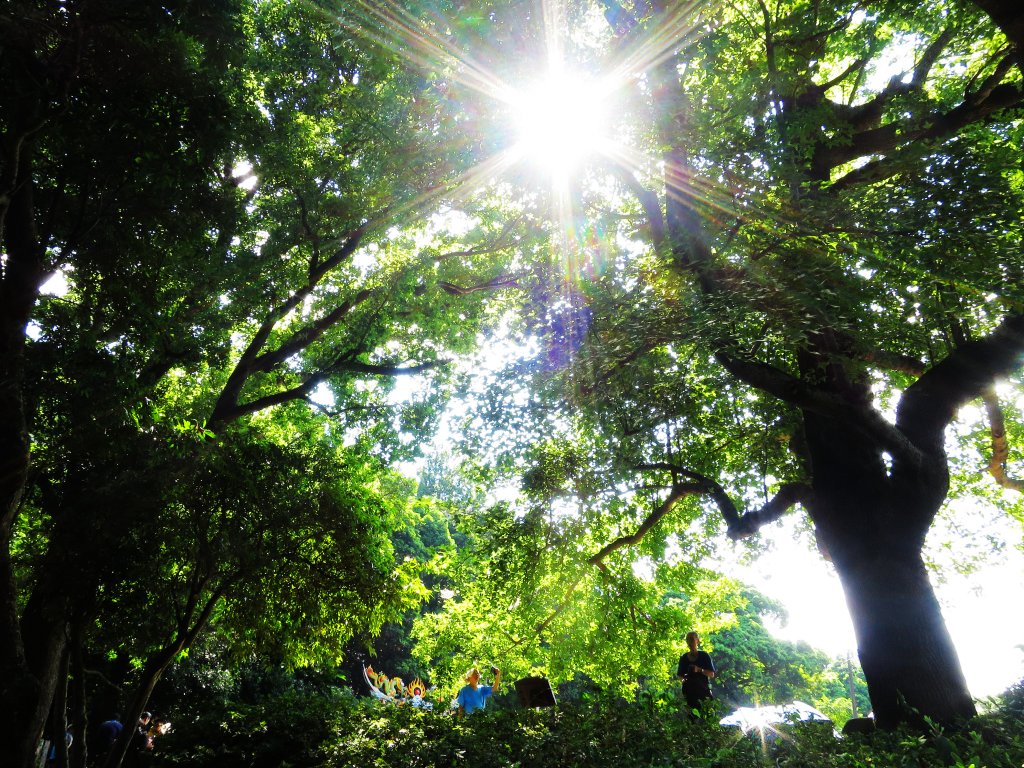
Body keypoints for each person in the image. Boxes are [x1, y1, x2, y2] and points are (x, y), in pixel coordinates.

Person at [676, 631, 716, 715]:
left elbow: (711, 674)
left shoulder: (704, 656)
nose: (689, 642)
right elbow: (680, 675)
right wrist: (684, 681)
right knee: (691, 719)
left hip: (703, 693)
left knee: (706, 717)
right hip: (689, 694)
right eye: (687, 640)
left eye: (691, 639)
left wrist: (699, 670)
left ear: (697, 641)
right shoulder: (684, 658)